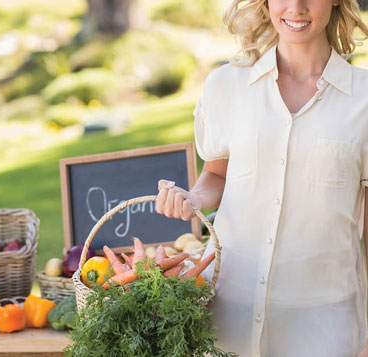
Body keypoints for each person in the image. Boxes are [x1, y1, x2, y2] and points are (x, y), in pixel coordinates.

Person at [155, 0, 368, 355]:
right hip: (225, 321)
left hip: (323, 326)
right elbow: (216, 174)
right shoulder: (227, 85)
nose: (296, 7)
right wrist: (194, 199)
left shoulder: (363, 98)